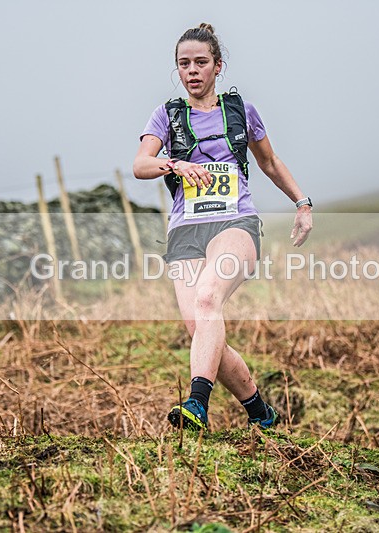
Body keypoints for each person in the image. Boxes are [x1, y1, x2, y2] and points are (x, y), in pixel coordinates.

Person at [133, 23, 313, 431]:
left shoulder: (241, 111)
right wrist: (177, 164)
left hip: (235, 223)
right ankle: (260, 413)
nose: (192, 70)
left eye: (200, 62)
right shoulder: (167, 115)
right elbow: (141, 165)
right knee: (201, 327)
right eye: (184, 64)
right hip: (186, 230)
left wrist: (302, 203)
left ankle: (197, 404)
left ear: (218, 66)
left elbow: (270, 163)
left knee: (208, 299)